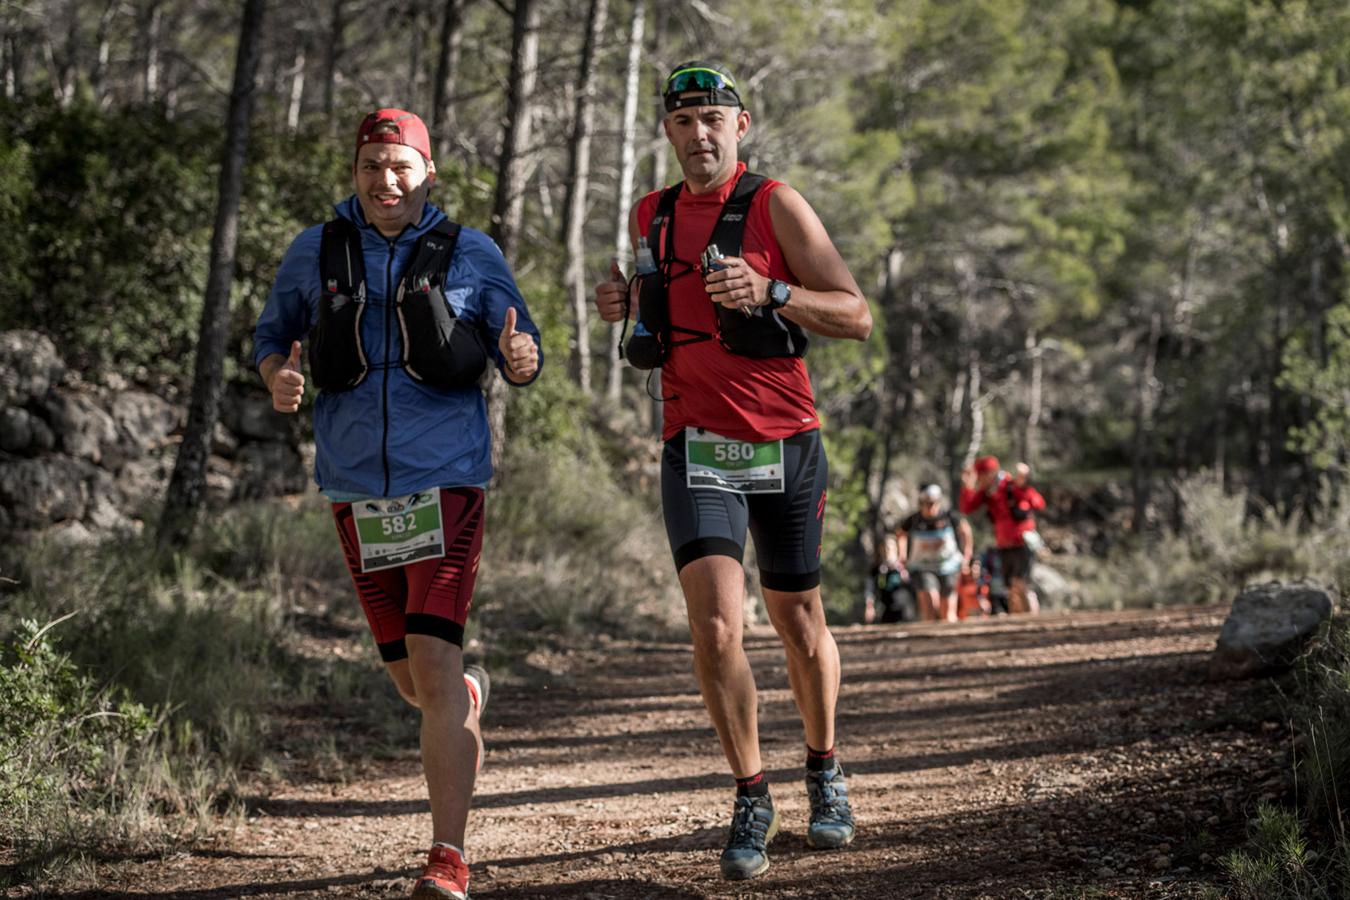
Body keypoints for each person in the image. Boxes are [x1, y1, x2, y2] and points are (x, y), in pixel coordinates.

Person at [253, 108, 542, 900]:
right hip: (354, 489)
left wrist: (521, 357)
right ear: (356, 171)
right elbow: (270, 337)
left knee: (436, 663)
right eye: (371, 167)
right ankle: (466, 697)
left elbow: (525, 343)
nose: (385, 182)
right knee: (414, 683)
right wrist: (277, 373)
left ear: (427, 173)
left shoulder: (471, 253)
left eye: (400, 168)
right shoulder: (315, 251)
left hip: (446, 481)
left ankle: (448, 857)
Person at [593, 60, 871, 880]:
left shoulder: (775, 204)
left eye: (714, 119)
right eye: (684, 122)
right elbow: (651, 311)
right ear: (669, 132)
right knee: (716, 626)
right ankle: (752, 791)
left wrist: (773, 290)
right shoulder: (653, 213)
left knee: (799, 623)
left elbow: (854, 315)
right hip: (697, 446)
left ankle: (824, 768)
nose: (699, 134)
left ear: (739, 127)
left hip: (786, 443)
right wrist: (624, 307)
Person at [959, 457, 1046, 615]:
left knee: (1020, 583)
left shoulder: (1011, 486)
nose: (978, 480)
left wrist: (1024, 484)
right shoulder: (987, 493)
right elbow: (967, 507)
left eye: (979, 476)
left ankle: (1033, 620)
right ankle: (1019, 624)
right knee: (1011, 587)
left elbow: (1038, 502)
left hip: (1022, 543)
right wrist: (967, 485)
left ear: (990, 474)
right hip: (1004, 545)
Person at [896, 484, 972, 623]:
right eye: (927, 503)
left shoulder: (949, 516)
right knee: (930, 601)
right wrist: (902, 556)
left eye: (934, 503)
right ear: (921, 503)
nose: (930, 506)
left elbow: (965, 531)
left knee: (947, 612)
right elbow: (900, 534)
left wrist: (966, 556)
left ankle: (949, 640)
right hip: (922, 566)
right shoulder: (914, 519)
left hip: (948, 566)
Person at [864, 533, 914, 624]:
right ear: (880, 549)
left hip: (905, 613)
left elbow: (914, 587)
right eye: (884, 547)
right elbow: (870, 589)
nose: (887, 550)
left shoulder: (905, 567)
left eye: (890, 547)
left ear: (896, 548)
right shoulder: (876, 569)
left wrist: (903, 573)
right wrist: (869, 607)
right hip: (885, 612)